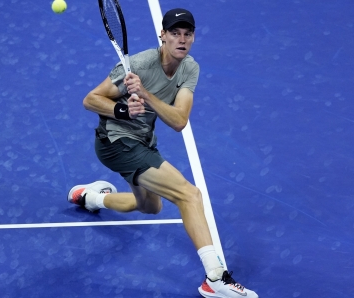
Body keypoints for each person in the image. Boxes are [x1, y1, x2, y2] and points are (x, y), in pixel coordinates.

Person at [67, 8, 258, 298]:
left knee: (149, 207)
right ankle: (215, 278)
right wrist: (122, 109)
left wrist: (145, 95)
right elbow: (91, 99)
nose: (182, 39)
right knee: (189, 194)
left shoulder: (189, 68)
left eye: (187, 34)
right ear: (163, 36)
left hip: (142, 141)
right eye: (175, 33)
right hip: (115, 142)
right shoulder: (138, 65)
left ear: (193, 37)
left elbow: (179, 120)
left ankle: (91, 197)